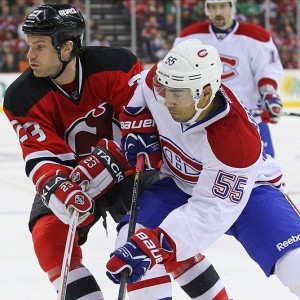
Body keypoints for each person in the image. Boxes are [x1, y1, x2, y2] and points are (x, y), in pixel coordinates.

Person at [3, 3, 228, 300]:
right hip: (74, 176)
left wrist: (117, 158)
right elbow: (40, 151)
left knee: (161, 241)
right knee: (49, 238)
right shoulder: (21, 97)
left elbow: (142, 125)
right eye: (30, 45)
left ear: (67, 47)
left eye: (40, 46)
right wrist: (56, 185)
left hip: (128, 170)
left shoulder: (116, 65)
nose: (29, 55)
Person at [106, 39, 300, 298]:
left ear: (206, 93)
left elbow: (209, 211)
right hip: (178, 182)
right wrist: (135, 121)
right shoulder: (163, 82)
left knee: (295, 263)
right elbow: (143, 87)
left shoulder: (236, 143)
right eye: (165, 90)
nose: (167, 101)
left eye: (177, 94)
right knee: (130, 245)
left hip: (249, 190)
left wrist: (158, 244)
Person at [173, 0, 283, 158]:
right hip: (205, 122)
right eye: (213, 7)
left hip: (250, 120)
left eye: (223, 6)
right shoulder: (190, 37)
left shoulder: (256, 36)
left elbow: (267, 70)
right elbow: (177, 71)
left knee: (265, 177)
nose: (218, 12)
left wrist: (269, 94)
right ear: (206, 9)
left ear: (232, 8)